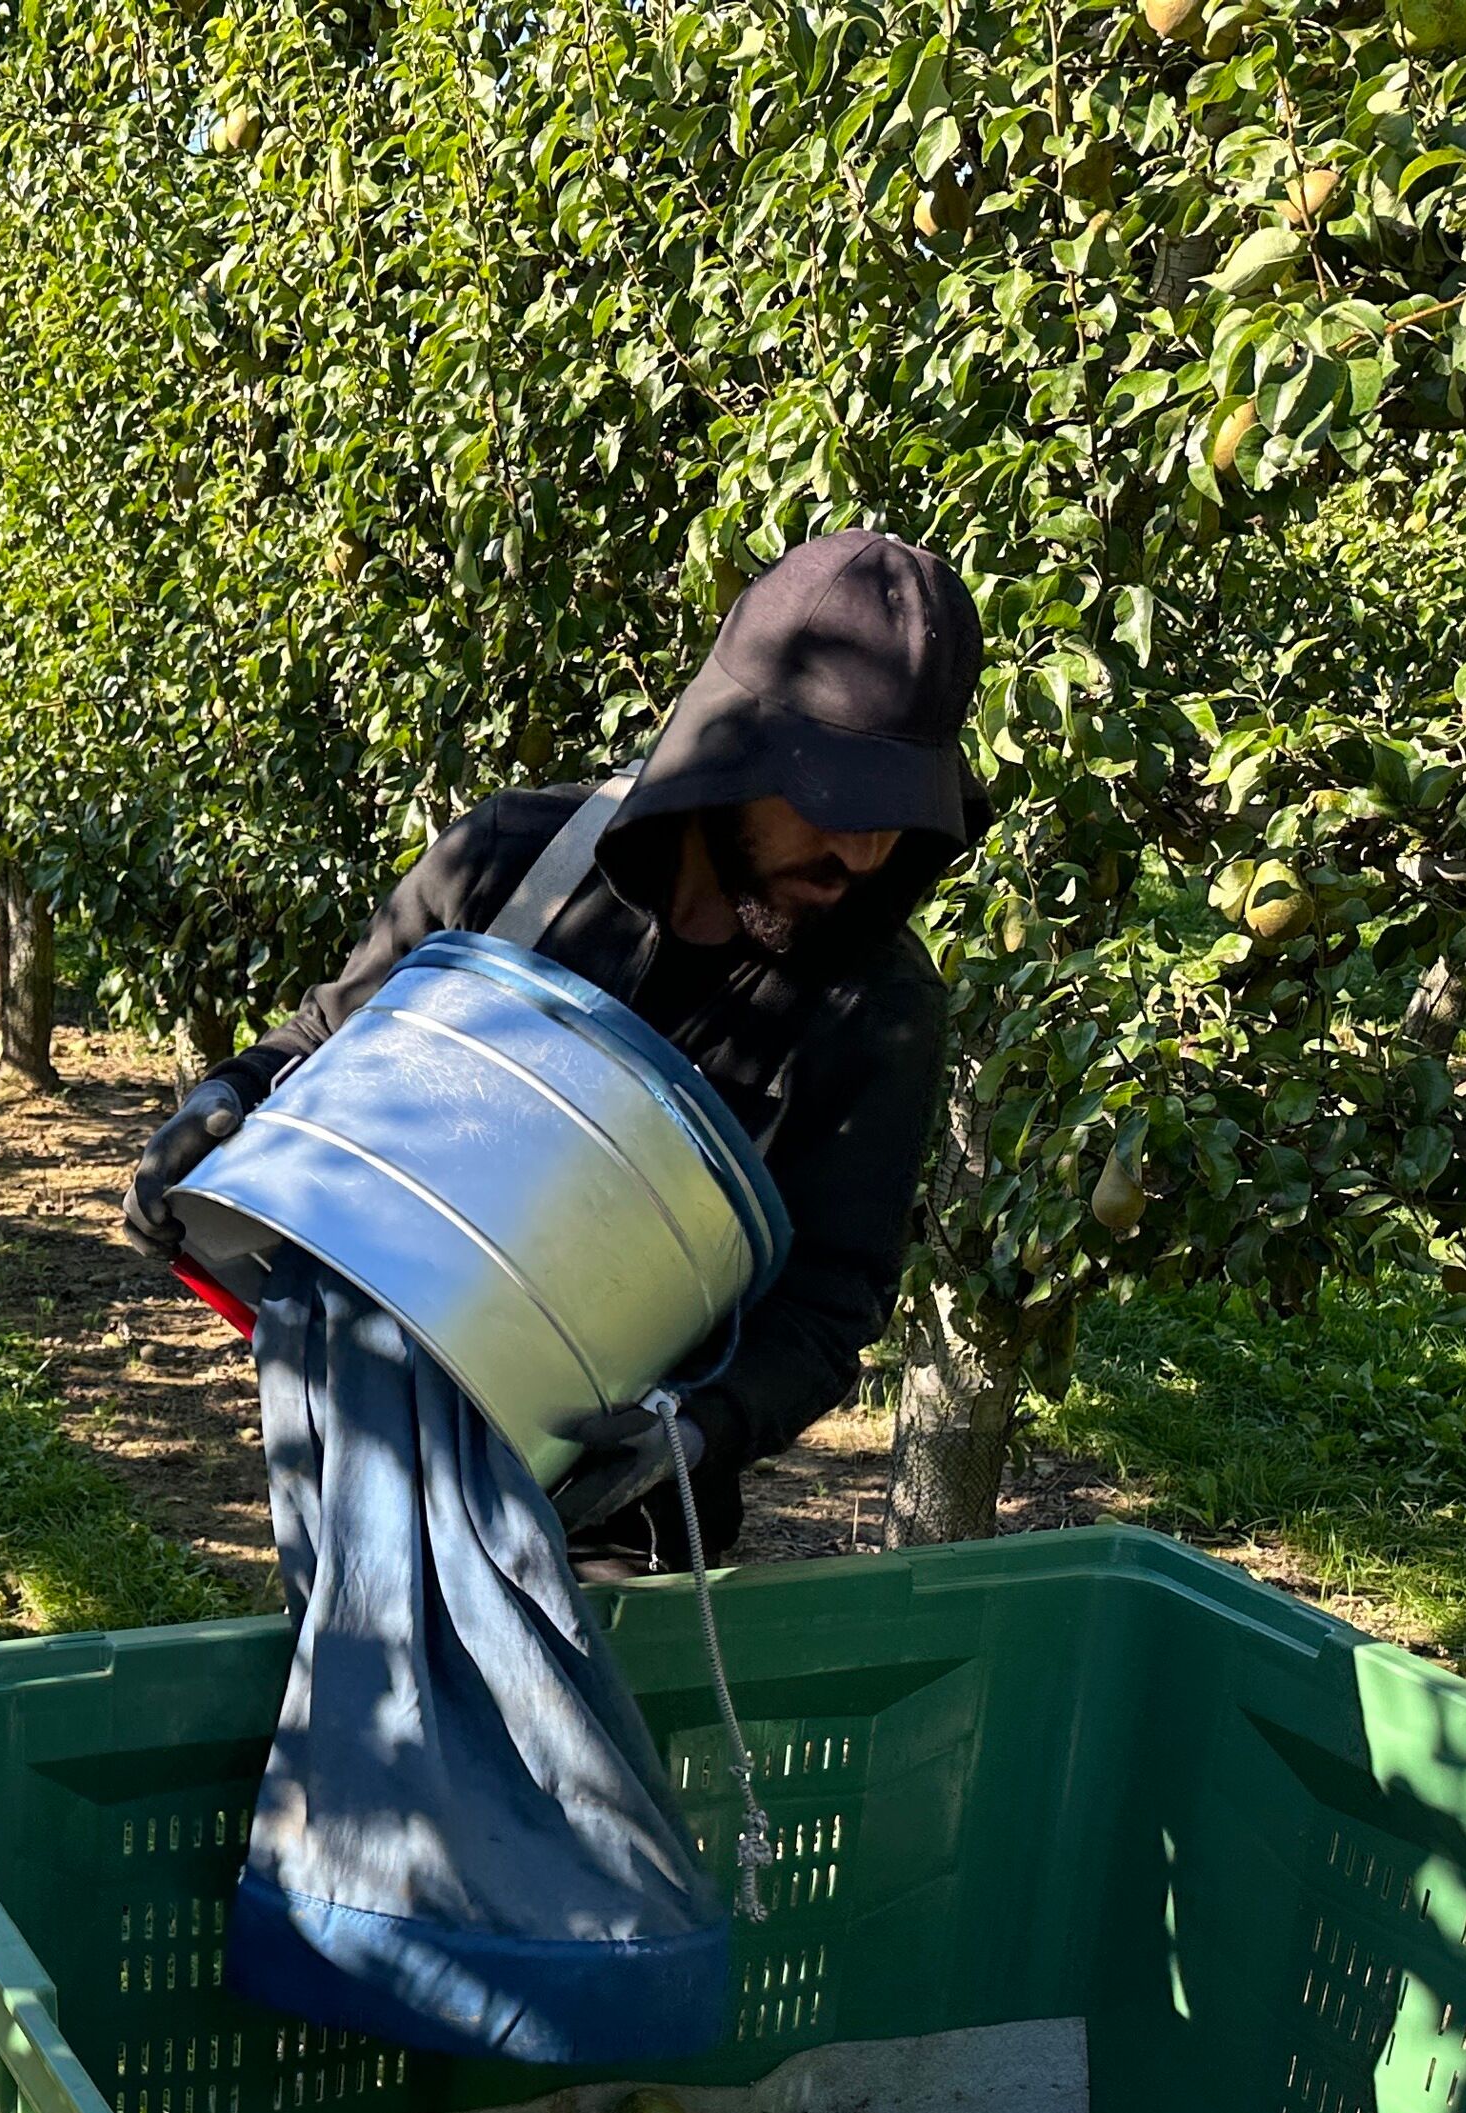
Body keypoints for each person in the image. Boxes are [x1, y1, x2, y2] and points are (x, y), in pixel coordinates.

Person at [125, 528, 988, 1572]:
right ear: (735, 752)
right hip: (368, 1441)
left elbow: (827, 1302)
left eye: (894, 816)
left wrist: (696, 1430)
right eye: (832, 801)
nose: (860, 850)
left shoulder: (875, 1007)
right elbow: (330, 1040)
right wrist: (225, 1108)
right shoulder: (515, 864)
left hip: (616, 1530)